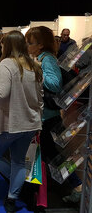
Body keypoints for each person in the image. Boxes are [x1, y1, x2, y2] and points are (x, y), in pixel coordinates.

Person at [0, 31, 43, 213]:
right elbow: (40, 98)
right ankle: (14, 195)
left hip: (10, 124)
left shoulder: (7, 64)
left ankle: (17, 185)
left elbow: (0, 93)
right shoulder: (34, 65)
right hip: (30, 123)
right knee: (18, 161)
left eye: (2, 44)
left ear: (8, 45)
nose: (0, 47)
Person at [25, 26, 83, 204]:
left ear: (40, 45)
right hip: (44, 116)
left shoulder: (46, 59)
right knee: (49, 154)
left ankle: (77, 186)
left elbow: (55, 84)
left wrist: (37, 70)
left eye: (30, 42)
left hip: (48, 118)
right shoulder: (42, 58)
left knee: (53, 155)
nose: (27, 45)